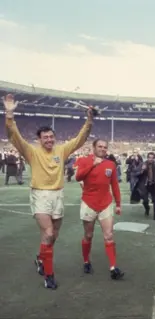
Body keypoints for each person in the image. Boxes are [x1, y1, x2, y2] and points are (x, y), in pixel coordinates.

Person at [3, 94, 93, 289]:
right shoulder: (31, 151)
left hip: (58, 195)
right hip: (40, 194)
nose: (49, 140)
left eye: (51, 137)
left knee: (54, 236)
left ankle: (40, 258)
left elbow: (80, 139)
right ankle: (49, 275)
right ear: (39, 140)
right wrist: (9, 113)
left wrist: (89, 120)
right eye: (45, 138)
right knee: (48, 231)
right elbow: (13, 136)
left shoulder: (61, 150)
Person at [75, 139, 124, 279]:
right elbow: (78, 176)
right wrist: (92, 164)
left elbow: (114, 185)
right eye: (100, 146)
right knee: (88, 235)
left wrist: (118, 203)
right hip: (88, 203)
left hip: (106, 203)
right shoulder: (85, 161)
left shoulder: (111, 164)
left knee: (109, 235)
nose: (103, 149)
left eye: (105, 147)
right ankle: (86, 261)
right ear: (93, 147)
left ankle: (113, 267)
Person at [130, 152, 155, 221]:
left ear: (154, 159)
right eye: (149, 157)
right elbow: (135, 174)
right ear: (147, 158)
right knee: (145, 201)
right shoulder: (142, 164)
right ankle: (147, 209)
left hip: (154, 185)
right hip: (145, 186)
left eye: (152, 158)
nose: (151, 159)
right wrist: (142, 170)